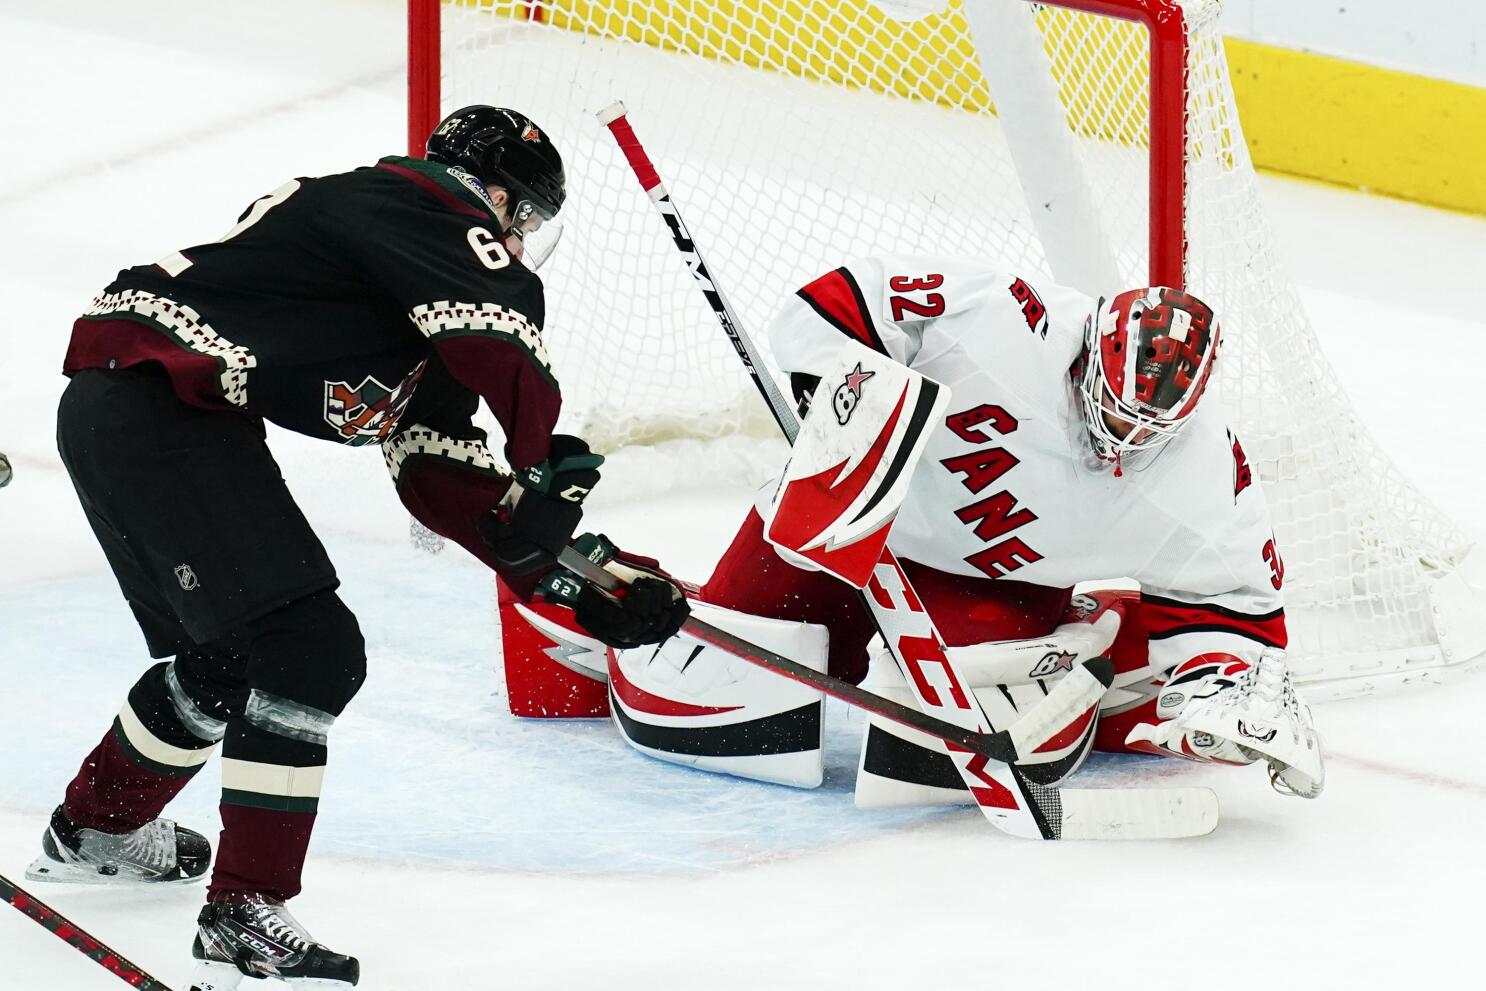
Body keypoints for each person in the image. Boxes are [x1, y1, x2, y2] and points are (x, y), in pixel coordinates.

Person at [27, 105, 689, 988]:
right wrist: (541, 458)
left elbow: (444, 480)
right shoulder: (420, 202)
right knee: (310, 648)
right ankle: (242, 910)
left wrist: (579, 576)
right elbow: (501, 344)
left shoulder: (410, 283)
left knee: (230, 657)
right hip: (150, 405)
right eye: (521, 215)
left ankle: (100, 828)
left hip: (138, 406)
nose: (519, 241)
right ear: (489, 192)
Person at [596, 255, 1322, 801]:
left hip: (995, 588)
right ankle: (599, 591)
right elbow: (832, 304)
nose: (1123, 437)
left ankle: (1101, 639)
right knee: (720, 690)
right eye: (1115, 404)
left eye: (1149, 427)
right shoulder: (999, 317)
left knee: (929, 756)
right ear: (1091, 346)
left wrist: (1226, 692)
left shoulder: (1205, 469)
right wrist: (843, 405)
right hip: (847, 524)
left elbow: (1237, 606)